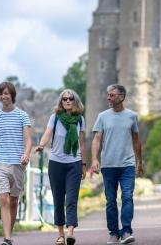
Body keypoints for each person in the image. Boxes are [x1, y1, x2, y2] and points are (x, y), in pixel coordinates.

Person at [90, 84, 143, 244]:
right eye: (108, 95)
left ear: (121, 97)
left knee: (127, 197)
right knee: (111, 200)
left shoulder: (132, 116)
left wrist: (139, 161)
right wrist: (94, 159)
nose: (108, 98)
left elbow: (136, 140)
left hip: (127, 164)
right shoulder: (102, 116)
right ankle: (114, 233)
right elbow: (97, 139)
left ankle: (126, 231)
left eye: (112, 95)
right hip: (108, 165)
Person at [34, 89, 87, 245]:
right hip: (56, 163)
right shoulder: (55, 118)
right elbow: (47, 133)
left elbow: (82, 144)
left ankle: (70, 232)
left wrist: (84, 164)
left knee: (71, 199)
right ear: (61, 102)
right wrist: (41, 145)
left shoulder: (80, 120)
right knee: (58, 199)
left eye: (71, 98)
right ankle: (60, 234)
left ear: (75, 100)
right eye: (65, 99)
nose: (68, 101)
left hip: (74, 164)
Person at [0, 81, 32, 245]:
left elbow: (28, 140)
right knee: (4, 199)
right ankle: (7, 238)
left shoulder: (22, 115)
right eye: (1, 93)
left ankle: (9, 233)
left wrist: (26, 154)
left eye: (7, 93)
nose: (4, 96)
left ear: (12, 95)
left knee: (14, 200)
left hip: (18, 164)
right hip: (0, 163)